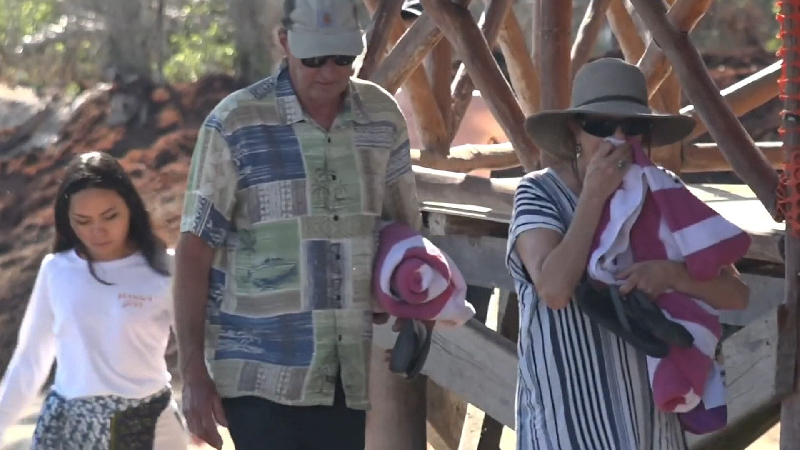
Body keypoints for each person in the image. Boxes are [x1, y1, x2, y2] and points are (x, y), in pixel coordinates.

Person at [172, 0, 422, 448]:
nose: (329, 71)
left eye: (344, 58)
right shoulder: (234, 123)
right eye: (314, 59)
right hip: (257, 377)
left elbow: (403, 229)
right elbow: (194, 249)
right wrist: (192, 372)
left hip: (345, 372)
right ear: (284, 42)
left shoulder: (382, 118)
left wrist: (410, 293)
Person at [506, 58, 750, 450]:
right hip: (568, 423)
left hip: (650, 426)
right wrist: (594, 196)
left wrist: (672, 276)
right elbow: (553, 289)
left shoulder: (663, 191)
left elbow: (738, 295)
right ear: (576, 131)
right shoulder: (538, 193)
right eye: (602, 126)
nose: (618, 137)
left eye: (632, 126)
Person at [0, 152, 188, 449]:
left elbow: (197, 350)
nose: (97, 231)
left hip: (150, 426)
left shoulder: (165, 269)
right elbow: (30, 360)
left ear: (131, 208)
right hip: (65, 430)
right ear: (68, 221)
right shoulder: (56, 269)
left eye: (110, 216)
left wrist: (202, 405)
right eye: (83, 221)